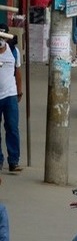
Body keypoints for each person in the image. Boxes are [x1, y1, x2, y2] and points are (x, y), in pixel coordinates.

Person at [0, 25, 21, 173]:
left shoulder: (13, 51)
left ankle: (14, 160)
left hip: (10, 95)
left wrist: (19, 91)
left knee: (12, 128)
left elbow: (18, 72)